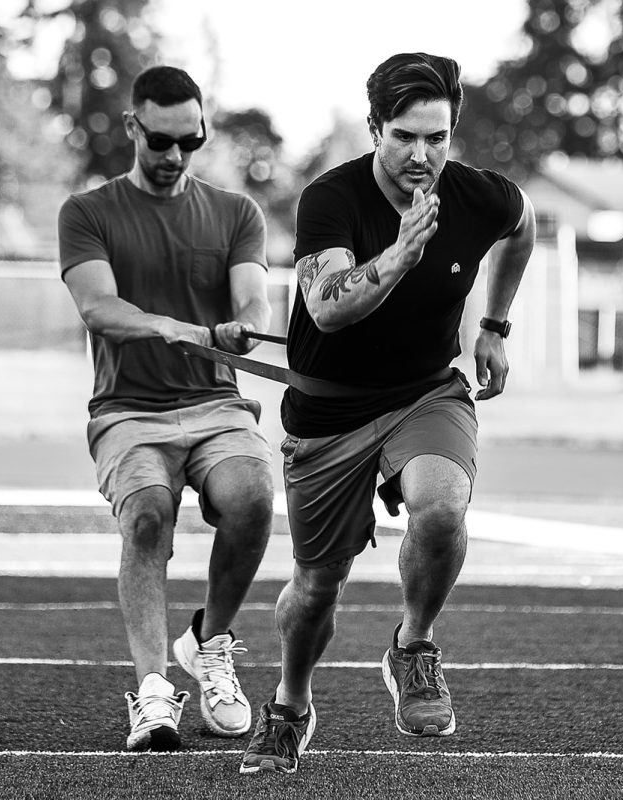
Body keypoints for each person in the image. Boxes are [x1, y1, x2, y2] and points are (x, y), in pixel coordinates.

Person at [240, 52, 536, 774]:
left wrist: (494, 326)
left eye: (437, 138)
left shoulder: (477, 195)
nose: (421, 156)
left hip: (424, 394)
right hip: (329, 411)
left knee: (443, 506)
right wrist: (400, 255)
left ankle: (413, 645)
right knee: (317, 587)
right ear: (375, 129)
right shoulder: (331, 199)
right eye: (404, 137)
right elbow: (326, 307)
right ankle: (291, 705)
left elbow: (522, 225)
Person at [57, 66, 275, 752]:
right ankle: (153, 692)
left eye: (191, 140)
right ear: (132, 127)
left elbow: (254, 298)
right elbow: (98, 306)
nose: (176, 155)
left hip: (215, 401)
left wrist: (245, 326)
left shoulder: (237, 212)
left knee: (254, 498)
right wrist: (173, 327)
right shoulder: (87, 212)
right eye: (160, 140)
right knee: (148, 514)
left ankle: (210, 644)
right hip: (128, 409)